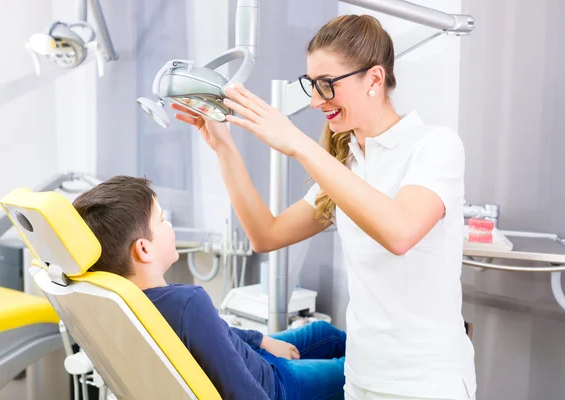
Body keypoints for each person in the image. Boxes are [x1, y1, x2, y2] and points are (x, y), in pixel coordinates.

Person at [172, 13, 476, 400]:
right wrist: (223, 147)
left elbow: (400, 233)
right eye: (311, 85)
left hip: (426, 383)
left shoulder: (434, 147)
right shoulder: (347, 164)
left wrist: (297, 144)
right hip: (362, 377)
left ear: (375, 79)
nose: (315, 101)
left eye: (326, 85)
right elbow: (266, 234)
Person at [72, 175, 346, 400]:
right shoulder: (188, 302)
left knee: (323, 333)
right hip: (276, 384)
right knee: (350, 371)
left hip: (256, 357)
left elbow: (217, 333)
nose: (169, 225)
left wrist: (261, 340)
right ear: (144, 249)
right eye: (162, 219)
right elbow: (244, 392)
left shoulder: (126, 304)